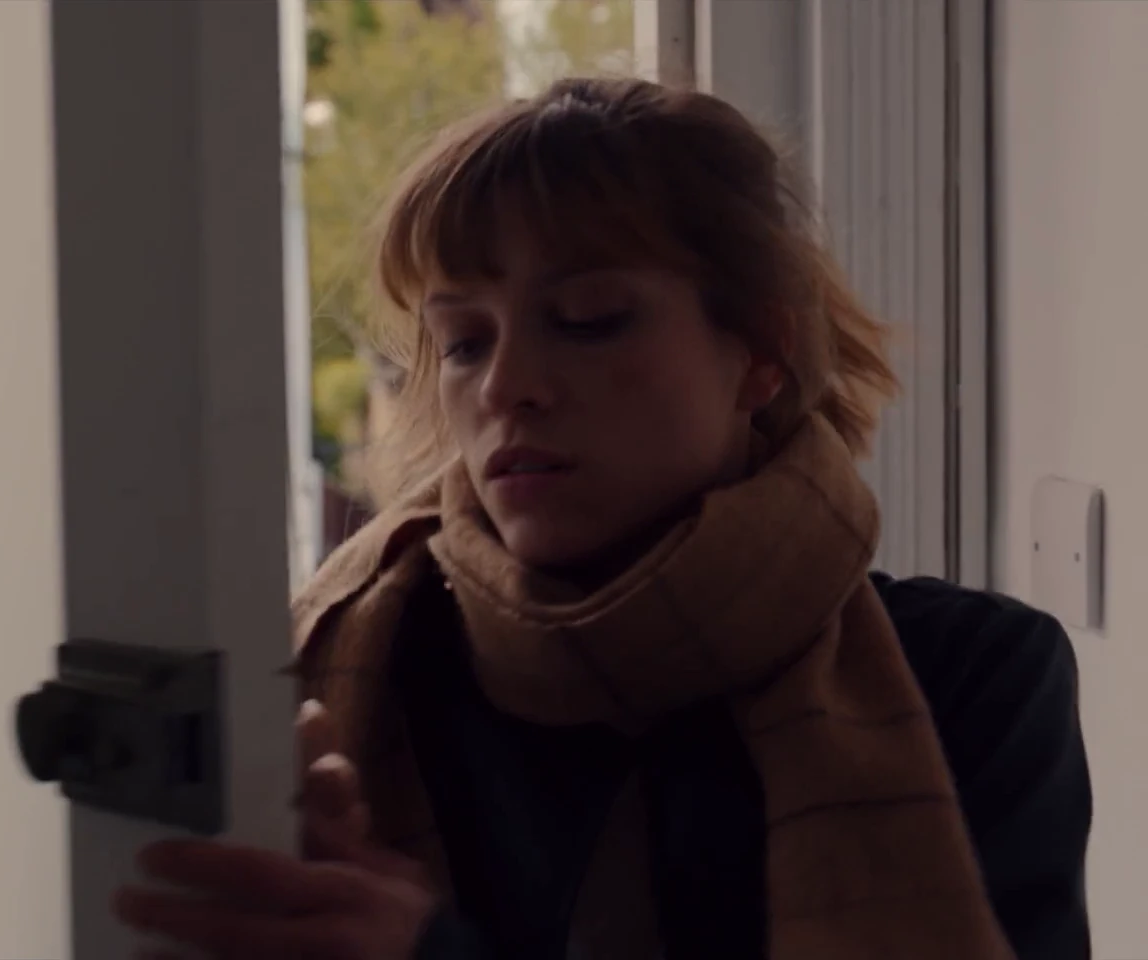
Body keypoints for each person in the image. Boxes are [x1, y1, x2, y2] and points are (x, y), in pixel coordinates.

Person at [112, 77, 1092, 959]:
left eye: (588, 320)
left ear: (759, 353)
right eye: (462, 342)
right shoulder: (362, 664)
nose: (507, 385)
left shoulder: (970, 678)